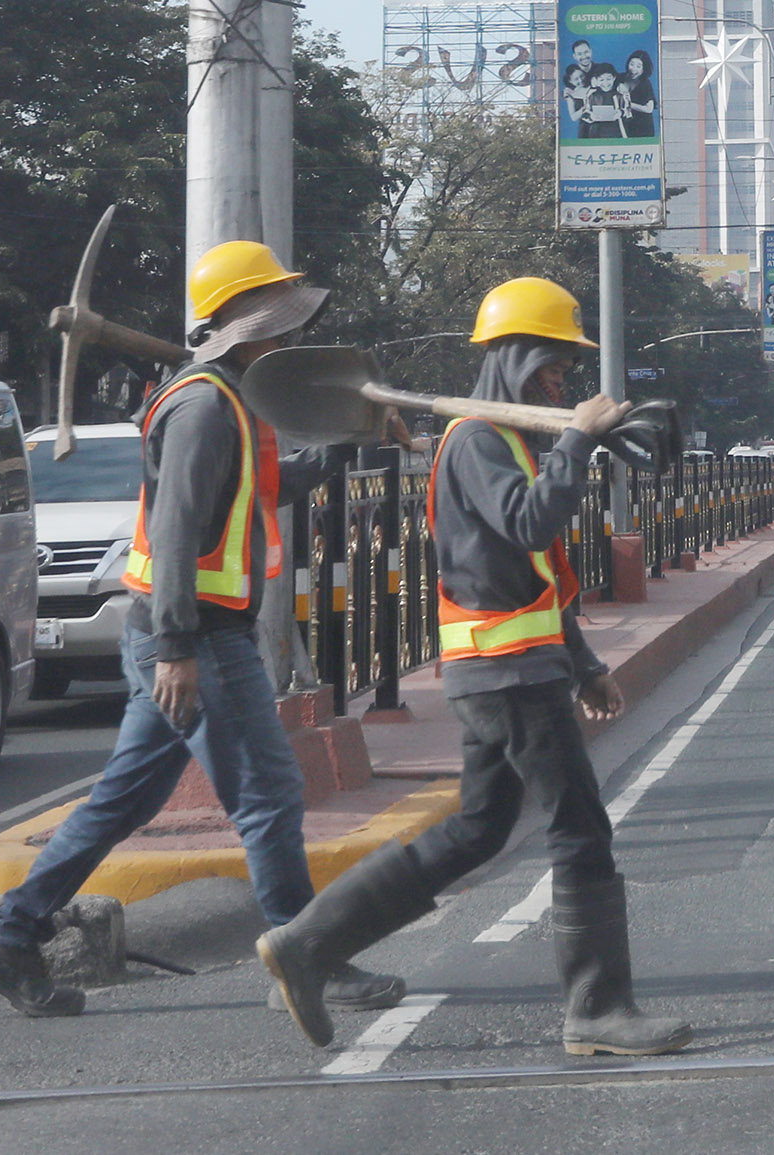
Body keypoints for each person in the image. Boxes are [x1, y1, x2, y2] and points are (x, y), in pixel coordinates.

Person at [0, 243, 407, 1021]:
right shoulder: (203, 406)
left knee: (120, 803)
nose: (288, 338)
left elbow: (274, 485)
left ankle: (7, 940)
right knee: (268, 793)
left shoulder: (231, 400)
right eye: (277, 321)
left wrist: (356, 436)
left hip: (190, 632)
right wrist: (175, 647)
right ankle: (309, 956)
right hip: (199, 635)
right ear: (242, 323)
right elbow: (173, 530)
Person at [255, 276, 686, 1058]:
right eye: (554, 366)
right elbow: (528, 520)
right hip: (506, 672)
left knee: (477, 831)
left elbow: (537, 572)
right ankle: (597, 1006)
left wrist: (583, 662)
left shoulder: (507, 438)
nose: (562, 381)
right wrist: (579, 440)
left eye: (566, 370)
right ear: (518, 358)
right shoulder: (480, 441)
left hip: (519, 665)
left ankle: (308, 943)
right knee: (580, 827)